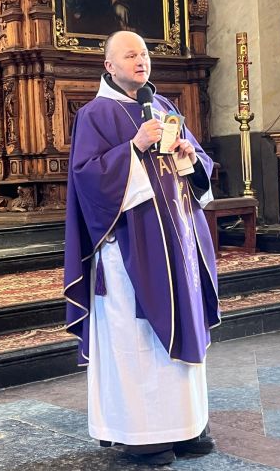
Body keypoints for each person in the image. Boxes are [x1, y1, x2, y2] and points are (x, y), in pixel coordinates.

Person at [64, 30, 221, 466]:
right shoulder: (95, 114)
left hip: (177, 243)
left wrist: (189, 155)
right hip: (128, 250)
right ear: (109, 66)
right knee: (137, 338)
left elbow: (196, 168)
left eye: (145, 53)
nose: (141, 60)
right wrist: (134, 147)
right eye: (130, 55)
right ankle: (143, 435)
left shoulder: (164, 106)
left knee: (182, 325)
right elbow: (87, 178)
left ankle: (187, 426)